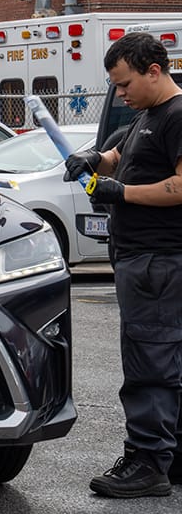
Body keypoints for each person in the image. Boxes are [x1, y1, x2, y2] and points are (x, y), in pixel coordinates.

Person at [64, 31, 182, 498]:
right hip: (143, 258)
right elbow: (118, 157)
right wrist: (94, 159)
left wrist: (122, 193)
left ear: (154, 71)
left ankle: (147, 462)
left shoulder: (177, 114)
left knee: (150, 361)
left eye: (125, 82)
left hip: (159, 260)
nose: (120, 93)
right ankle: (171, 459)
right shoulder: (146, 116)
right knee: (167, 360)